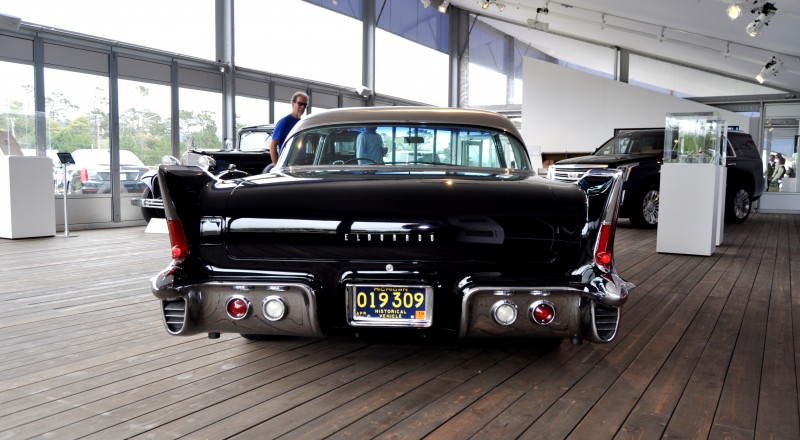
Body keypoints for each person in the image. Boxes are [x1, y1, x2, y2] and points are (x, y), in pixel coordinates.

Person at [269, 91, 309, 164]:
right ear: (293, 104)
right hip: (288, 163)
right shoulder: (284, 122)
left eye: (305, 105)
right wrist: (276, 166)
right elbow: (273, 146)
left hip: (302, 163)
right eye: (300, 104)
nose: (302, 107)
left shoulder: (303, 123)